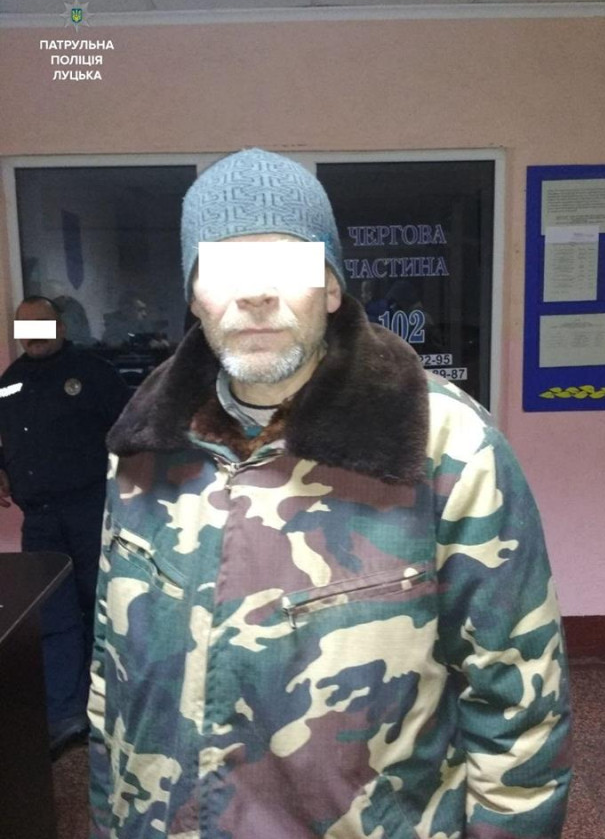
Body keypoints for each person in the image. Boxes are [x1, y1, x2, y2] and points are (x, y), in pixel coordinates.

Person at [89, 149, 572, 838]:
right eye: (224, 267)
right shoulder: (143, 447)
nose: (256, 293)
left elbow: (519, 707)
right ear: (195, 294)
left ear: (333, 287)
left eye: (287, 264)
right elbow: (112, 678)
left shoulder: (444, 445)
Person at [0, 295, 130, 754]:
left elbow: (130, 432)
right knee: (51, 615)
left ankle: (111, 709)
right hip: (39, 518)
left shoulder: (94, 373)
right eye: (25, 327)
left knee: (101, 608)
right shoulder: (9, 382)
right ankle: (65, 714)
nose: (33, 335)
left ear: (60, 326)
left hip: (89, 509)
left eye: (42, 324)